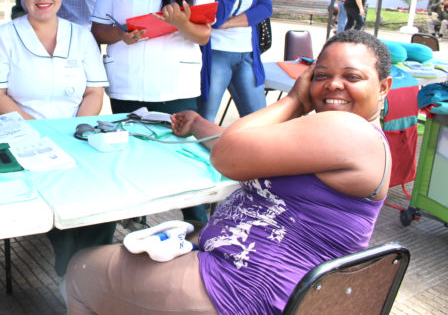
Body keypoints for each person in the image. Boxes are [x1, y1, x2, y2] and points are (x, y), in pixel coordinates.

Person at [66, 29, 393, 315]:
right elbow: (246, 148)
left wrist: (293, 99)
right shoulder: (346, 137)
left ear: (383, 87)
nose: (333, 85)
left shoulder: (347, 130)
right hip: (251, 276)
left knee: (81, 271)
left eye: (352, 77)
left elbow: (228, 156)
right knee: (180, 234)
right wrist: (198, 124)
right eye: (321, 76)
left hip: (243, 292)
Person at [0, 0, 111, 278]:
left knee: (102, 197)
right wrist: (37, 130)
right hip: (23, 138)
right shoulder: (5, 36)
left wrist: (73, 130)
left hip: (76, 134)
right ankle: (70, 268)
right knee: (55, 195)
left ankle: (94, 268)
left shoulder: (80, 37)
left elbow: (94, 92)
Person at [91, 0, 214, 222]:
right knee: (130, 153)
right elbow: (97, 29)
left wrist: (182, 23)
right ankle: (136, 216)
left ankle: (197, 222)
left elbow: (203, 35)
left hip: (176, 86)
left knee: (185, 157)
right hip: (127, 84)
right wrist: (122, 34)